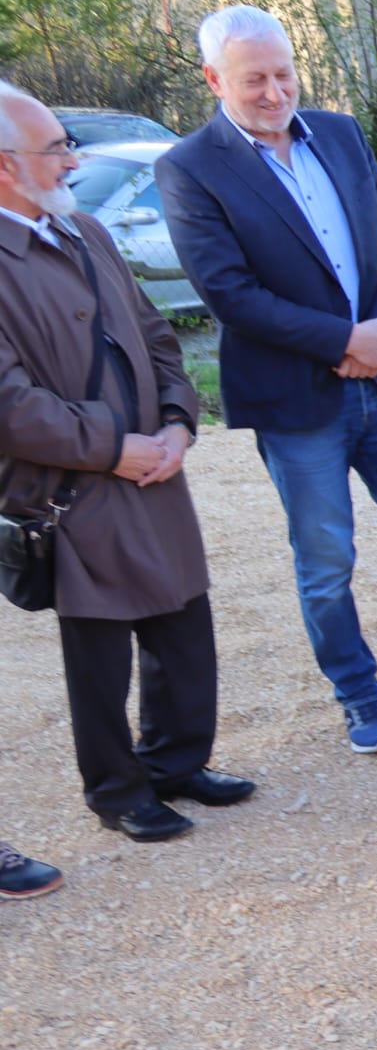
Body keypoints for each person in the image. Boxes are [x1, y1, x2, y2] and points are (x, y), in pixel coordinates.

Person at [158, 5, 377, 755]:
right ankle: (358, 696)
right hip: (297, 402)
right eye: (253, 79)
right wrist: (342, 341)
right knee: (327, 561)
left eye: (283, 73)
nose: (273, 91)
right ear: (213, 79)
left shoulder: (343, 134)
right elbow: (228, 292)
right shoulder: (190, 168)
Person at [0, 83, 255, 843]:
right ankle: (117, 789)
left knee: (183, 621)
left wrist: (178, 423)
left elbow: (155, 336)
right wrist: (114, 447)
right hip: (73, 488)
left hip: (154, 467)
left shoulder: (84, 233)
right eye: (56, 149)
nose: (72, 161)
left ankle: (176, 762)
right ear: (6, 167)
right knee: (101, 649)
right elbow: (10, 404)